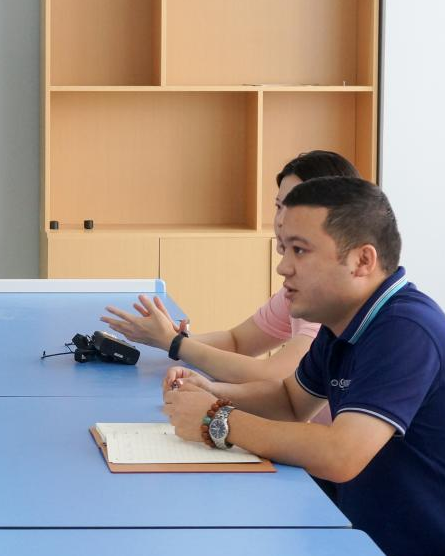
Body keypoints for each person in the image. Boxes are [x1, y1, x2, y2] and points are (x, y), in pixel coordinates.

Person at [162, 177, 445, 556]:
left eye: (300, 250)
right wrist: (211, 390)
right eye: (284, 249)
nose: (283, 268)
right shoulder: (343, 324)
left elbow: (341, 456)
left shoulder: (405, 329)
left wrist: (216, 420)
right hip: (381, 555)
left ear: (362, 260)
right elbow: (290, 402)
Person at [102, 151, 360, 386]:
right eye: (279, 206)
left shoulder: (329, 298)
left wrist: (174, 343)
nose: (281, 220)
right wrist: (172, 337)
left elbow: (272, 376)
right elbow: (237, 342)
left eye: (295, 208)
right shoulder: (299, 286)